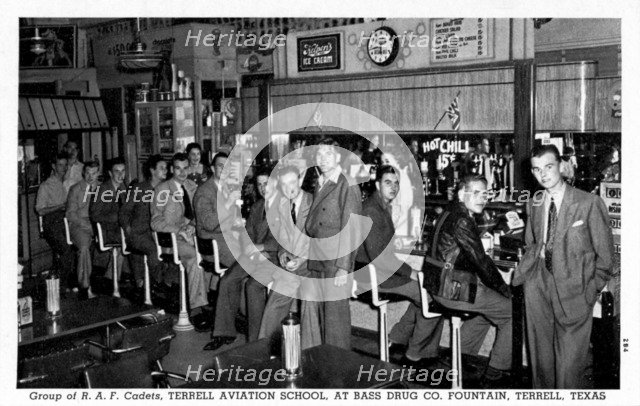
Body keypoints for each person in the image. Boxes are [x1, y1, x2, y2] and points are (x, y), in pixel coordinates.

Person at [513, 144, 615, 389]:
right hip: (538, 283)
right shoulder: (535, 202)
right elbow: (532, 242)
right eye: (536, 170)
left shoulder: (588, 202)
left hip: (575, 289)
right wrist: (529, 277)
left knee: (569, 368)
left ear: (560, 165)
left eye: (548, 167)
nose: (543, 174)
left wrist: (591, 290)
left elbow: (606, 257)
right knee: (540, 362)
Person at [423, 174, 513, 388]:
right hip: (453, 290)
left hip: (438, 286)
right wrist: (503, 288)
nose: (483, 198)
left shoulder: (448, 211)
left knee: (490, 307)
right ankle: (496, 372)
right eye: (476, 193)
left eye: (485, 194)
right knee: (513, 311)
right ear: (463, 194)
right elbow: (480, 260)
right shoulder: (463, 219)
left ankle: (457, 357)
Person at [356, 165, 444, 364]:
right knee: (433, 296)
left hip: (377, 272)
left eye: (396, 183)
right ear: (378, 184)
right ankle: (416, 354)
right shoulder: (372, 210)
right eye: (388, 182)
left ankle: (396, 339)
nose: (393, 187)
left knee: (424, 291)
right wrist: (410, 272)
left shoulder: (380, 206)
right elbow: (380, 256)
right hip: (373, 276)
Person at [204, 170, 280, 350]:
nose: (263, 188)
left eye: (266, 183)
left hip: (275, 257)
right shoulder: (257, 207)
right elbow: (248, 234)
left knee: (253, 286)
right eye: (260, 184)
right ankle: (224, 333)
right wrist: (250, 246)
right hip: (255, 255)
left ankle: (255, 341)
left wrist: (264, 248)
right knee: (228, 280)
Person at [305, 138, 362, 350]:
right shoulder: (321, 182)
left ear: (338, 156)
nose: (323, 158)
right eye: (319, 154)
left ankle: (340, 369)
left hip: (335, 262)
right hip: (319, 258)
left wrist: (343, 268)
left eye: (329, 153)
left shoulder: (347, 183)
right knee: (323, 319)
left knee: (335, 321)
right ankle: (327, 364)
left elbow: (353, 228)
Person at [258, 165, 322, 349]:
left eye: (293, 182)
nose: (289, 189)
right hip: (292, 267)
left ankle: (311, 352)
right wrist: (283, 255)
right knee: (273, 304)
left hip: (311, 266)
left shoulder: (314, 203)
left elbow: (320, 241)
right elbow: (282, 239)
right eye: (284, 185)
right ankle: (264, 351)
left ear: (300, 180)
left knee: (309, 301)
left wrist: (302, 259)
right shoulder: (282, 205)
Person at [151, 153, 211, 327]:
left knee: (212, 251)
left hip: (190, 235)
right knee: (194, 257)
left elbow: (198, 213)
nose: (182, 172)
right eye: (178, 168)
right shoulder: (162, 190)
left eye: (185, 168)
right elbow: (155, 222)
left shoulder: (192, 186)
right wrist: (179, 230)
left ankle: (205, 297)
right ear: (172, 169)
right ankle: (197, 308)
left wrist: (192, 224)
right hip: (171, 240)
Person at [119, 155, 171, 289]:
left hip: (159, 233)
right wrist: (127, 229)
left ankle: (165, 280)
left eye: (166, 168)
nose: (165, 170)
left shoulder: (167, 189)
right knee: (154, 250)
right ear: (152, 171)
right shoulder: (139, 188)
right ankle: (158, 283)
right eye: (162, 168)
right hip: (139, 233)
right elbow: (124, 212)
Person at [193, 152, 241, 269]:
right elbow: (209, 224)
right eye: (221, 166)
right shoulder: (204, 192)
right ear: (213, 168)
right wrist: (229, 203)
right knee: (244, 267)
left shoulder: (227, 188)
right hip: (212, 243)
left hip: (228, 238)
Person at [35, 152, 75, 291]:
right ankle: (61, 286)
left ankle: (66, 280)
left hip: (66, 221)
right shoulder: (46, 186)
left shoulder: (68, 183)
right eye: (60, 165)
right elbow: (40, 210)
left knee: (81, 244)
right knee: (66, 250)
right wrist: (60, 206)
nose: (63, 168)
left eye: (65, 165)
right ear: (53, 166)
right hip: (52, 223)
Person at [66, 160, 101, 298]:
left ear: (98, 173)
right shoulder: (75, 189)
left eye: (94, 173)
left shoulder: (102, 188)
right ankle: (85, 286)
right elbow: (70, 213)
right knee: (84, 247)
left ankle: (110, 281)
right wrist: (86, 225)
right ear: (83, 173)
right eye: (87, 173)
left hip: (97, 224)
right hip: (79, 224)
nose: (90, 176)